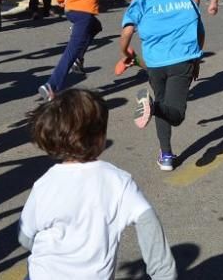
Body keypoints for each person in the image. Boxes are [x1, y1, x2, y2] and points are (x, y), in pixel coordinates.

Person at [18, 90, 177, 280]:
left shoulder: (44, 184)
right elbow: (148, 226)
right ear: (100, 137)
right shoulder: (118, 182)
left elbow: (25, 238)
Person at [123, 0, 204, 172]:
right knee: (174, 113)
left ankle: (166, 154)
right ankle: (154, 116)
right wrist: (196, 59)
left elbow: (131, 18)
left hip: (155, 59)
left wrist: (127, 53)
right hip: (179, 56)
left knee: (161, 104)